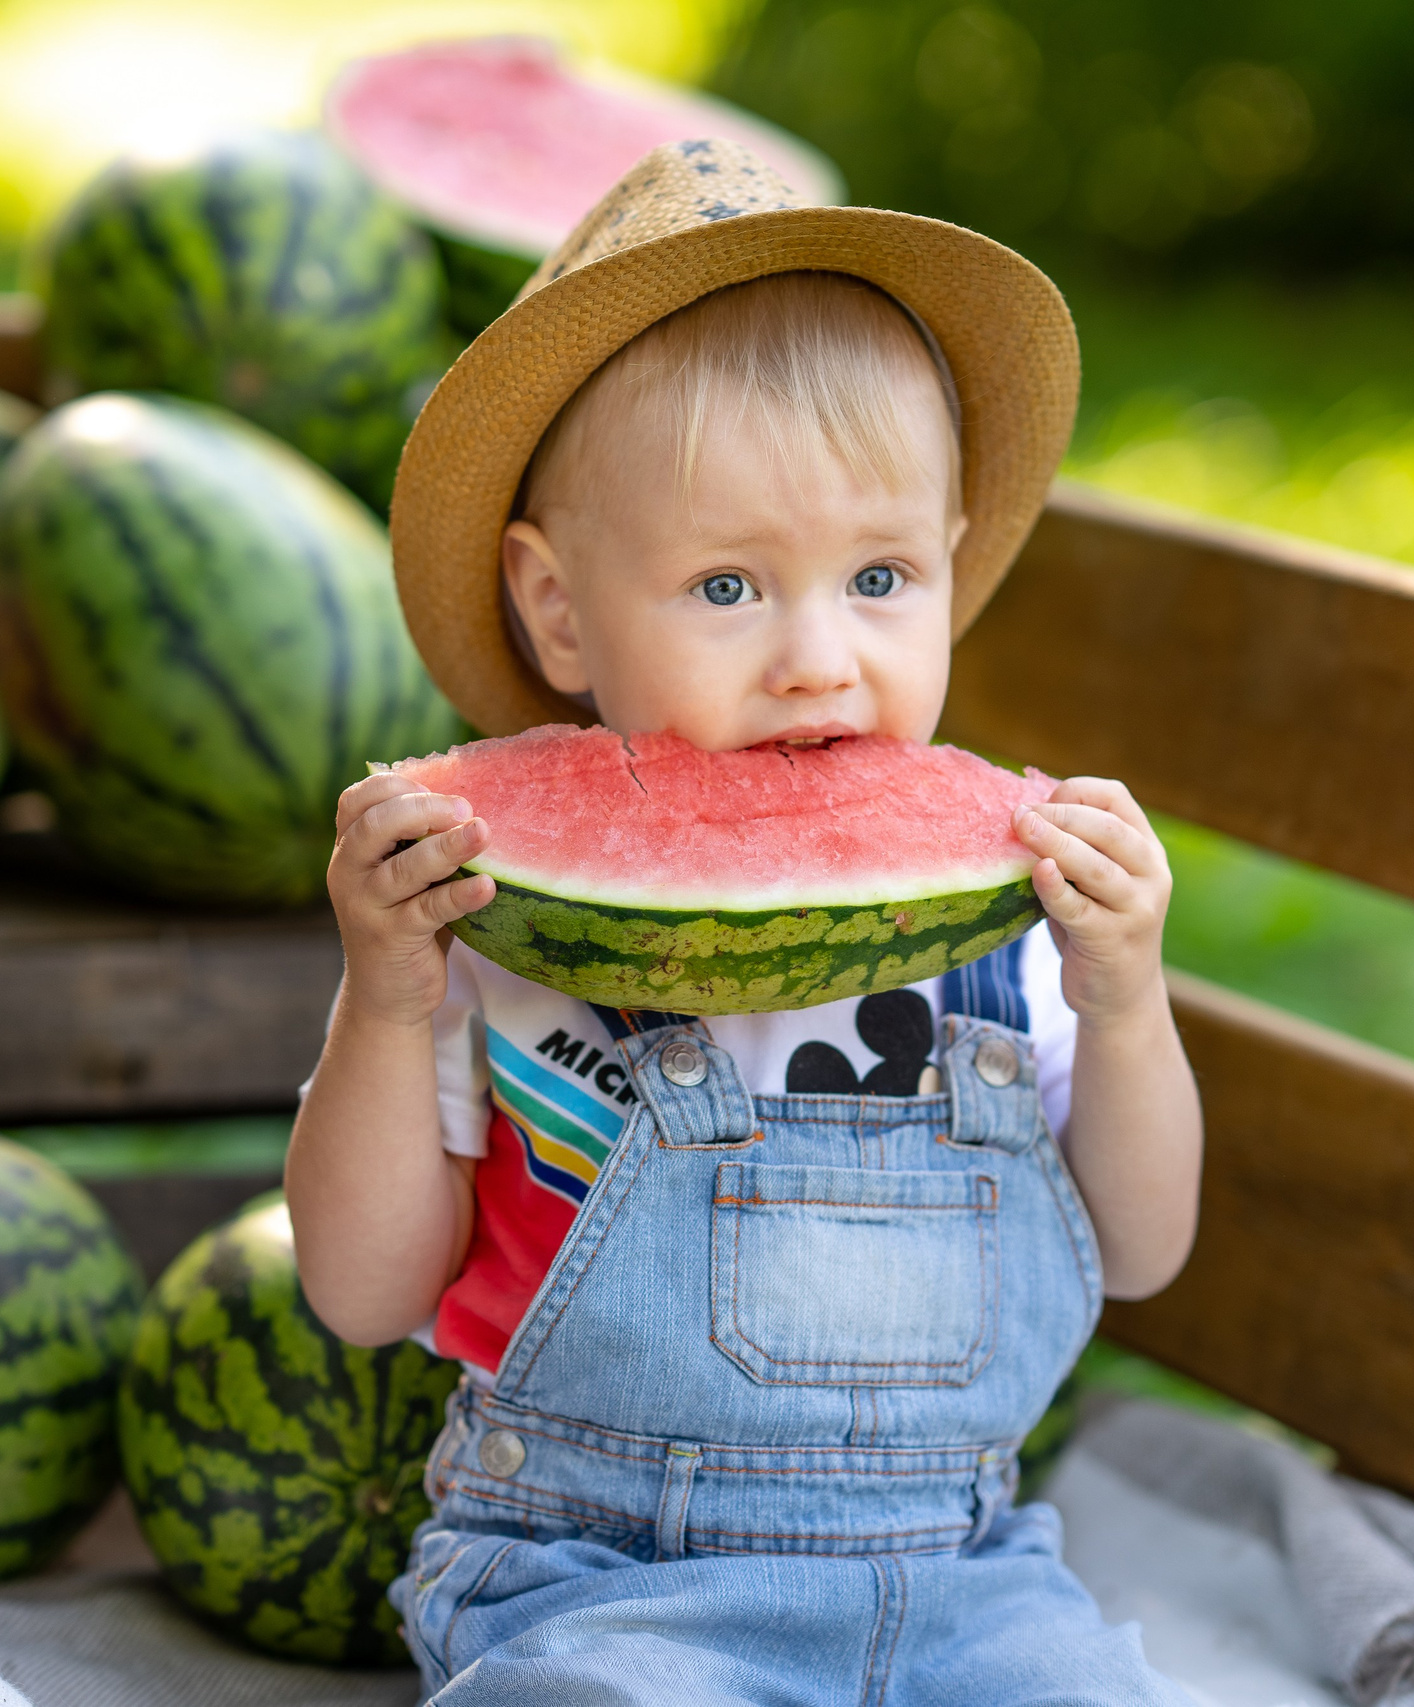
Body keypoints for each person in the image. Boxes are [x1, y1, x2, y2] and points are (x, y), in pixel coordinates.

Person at [287, 138, 1204, 1703]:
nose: (815, 658)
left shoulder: (1007, 920)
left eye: (880, 576)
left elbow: (1142, 1248)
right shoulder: (490, 930)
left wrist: (1126, 1006)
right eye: (727, 589)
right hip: (602, 1578)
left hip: (962, 1576)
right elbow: (366, 1291)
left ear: (954, 566)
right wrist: (384, 1000)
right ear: (558, 606)